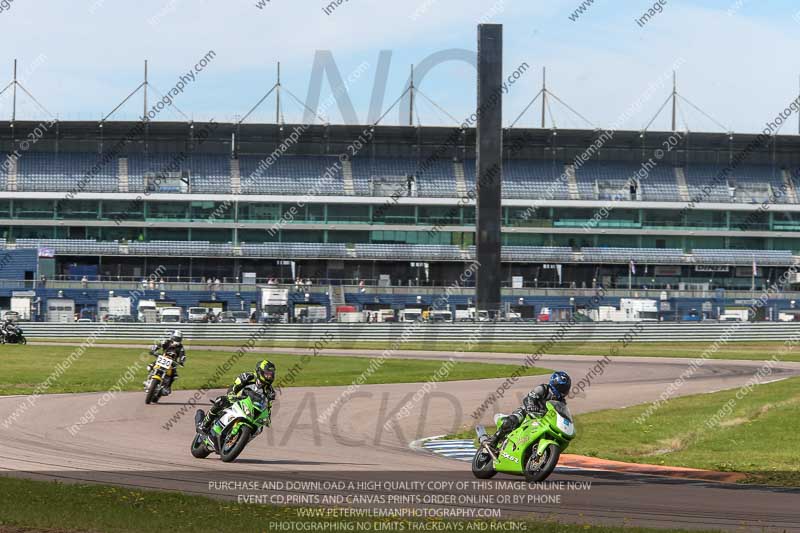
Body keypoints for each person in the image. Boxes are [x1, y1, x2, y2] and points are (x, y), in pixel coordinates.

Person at [485, 371, 572, 449]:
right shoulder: (543, 389)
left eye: (565, 388)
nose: (563, 391)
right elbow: (529, 397)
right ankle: (494, 440)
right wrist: (531, 405)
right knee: (511, 421)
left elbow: (561, 413)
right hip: (527, 411)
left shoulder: (561, 402)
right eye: (561, 388)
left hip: (543, 420)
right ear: (554, 384)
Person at [199, 360, 277, 434]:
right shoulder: (247, 377)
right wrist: (231, 395)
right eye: (267, 374)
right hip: (236, 400)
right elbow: (234, 387)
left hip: (251, 409)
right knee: (220, 401)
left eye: (271, 374)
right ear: (260, 371)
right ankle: (204, 424)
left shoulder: (270, 391)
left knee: (259, 428)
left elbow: (268, 407)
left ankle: (239, 439)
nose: (269, 377)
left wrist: (267, 418)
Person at [146, 330, 187, 395]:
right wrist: (154, 349)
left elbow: (182, 355)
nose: (177, 340)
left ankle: (168, 387)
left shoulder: (180, 347)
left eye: (179, 339)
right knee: (150, 366)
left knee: (174, 376)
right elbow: (159, 345)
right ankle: (149, 379)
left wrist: (181, 361)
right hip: (162, 359)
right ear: (172, 337)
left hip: (172, 363)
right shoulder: (167, 342)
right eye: (176, 338)